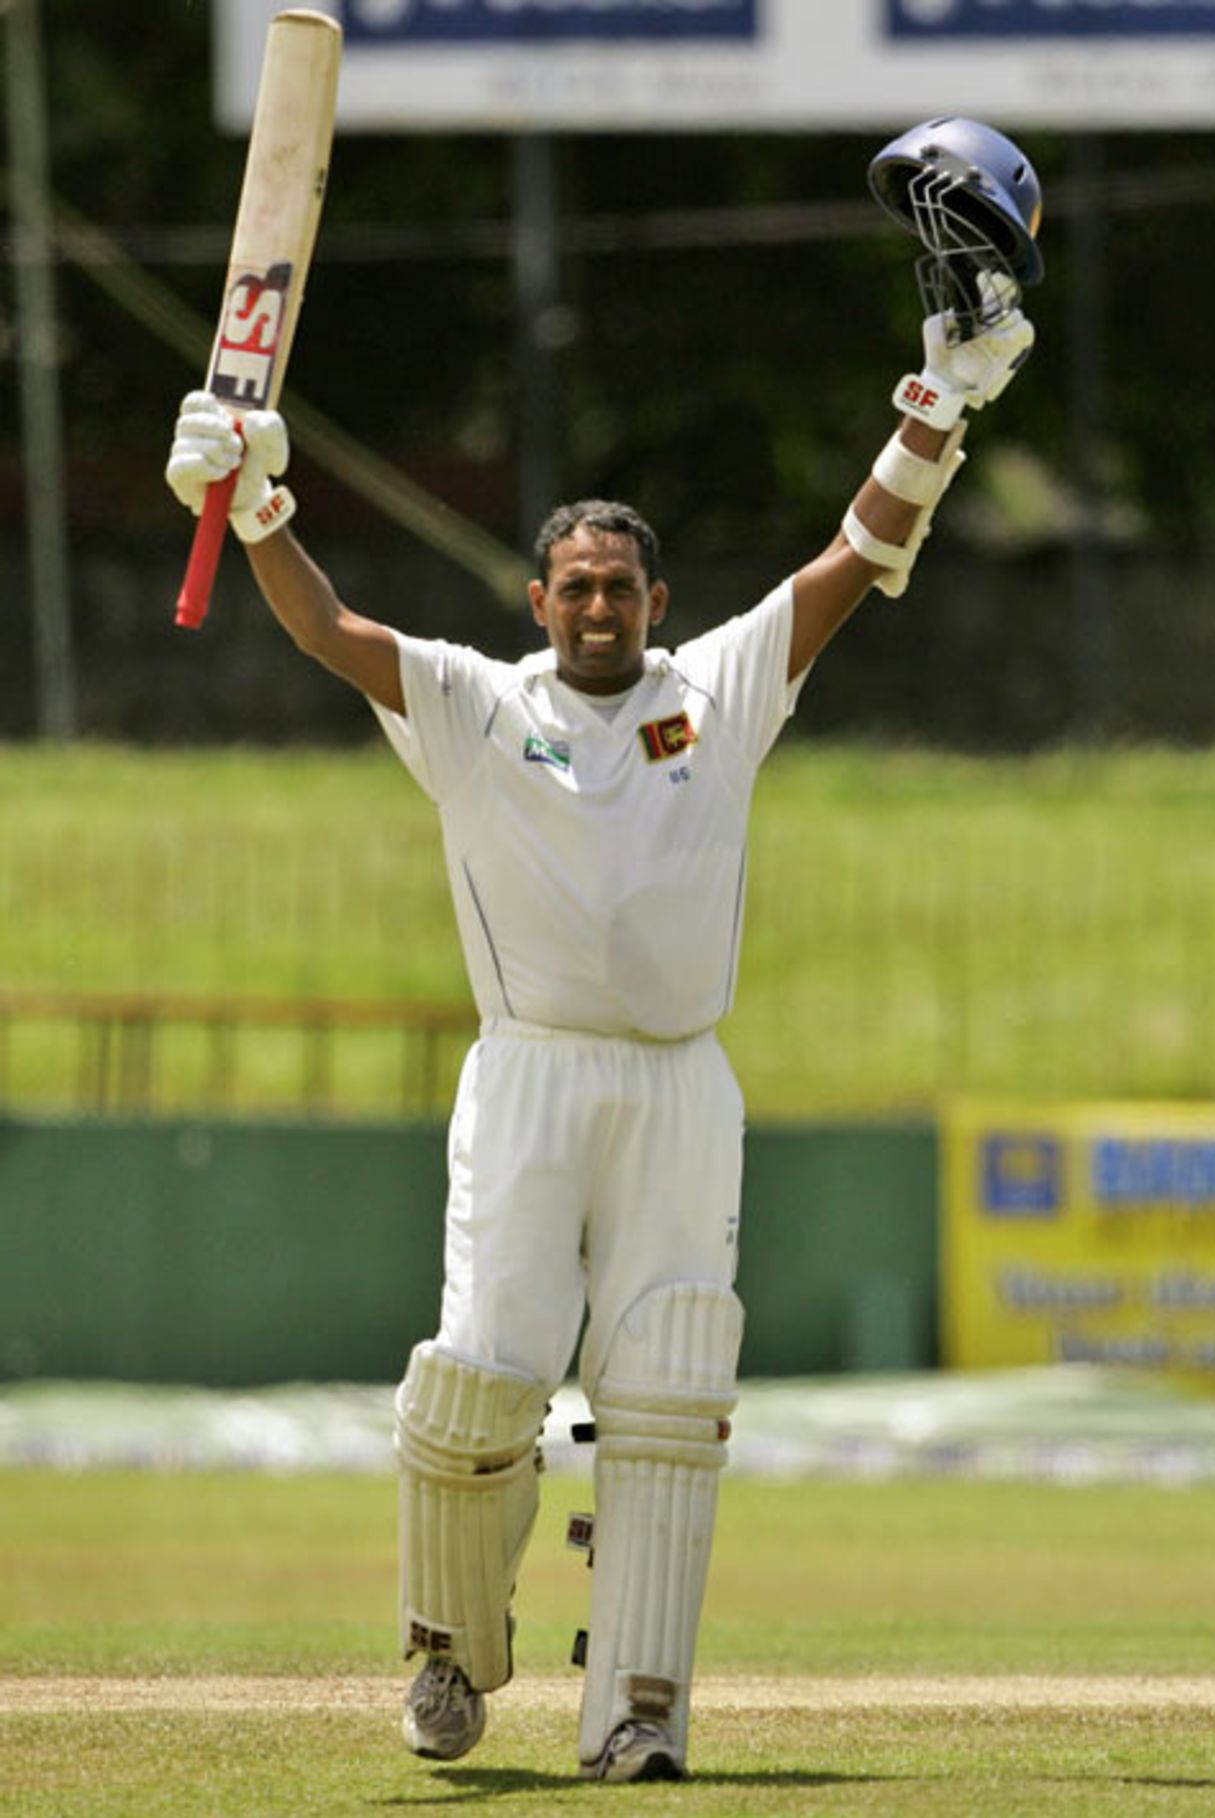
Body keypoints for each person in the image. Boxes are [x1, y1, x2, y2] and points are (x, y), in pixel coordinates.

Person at [165, 284, 1032, 1782]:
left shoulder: (719, 696)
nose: (597, 605)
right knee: (484, 1372)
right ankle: (448, 1654)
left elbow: (856, 558)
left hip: (683, 1083)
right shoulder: (477, 708)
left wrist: (935, 412)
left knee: (673, 1388)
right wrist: (252, 507)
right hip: (530, 1076)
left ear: (656, 601)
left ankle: (636, 1706)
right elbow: (330, 625)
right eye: (574, 584)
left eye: (620, 586)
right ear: (539, 597)